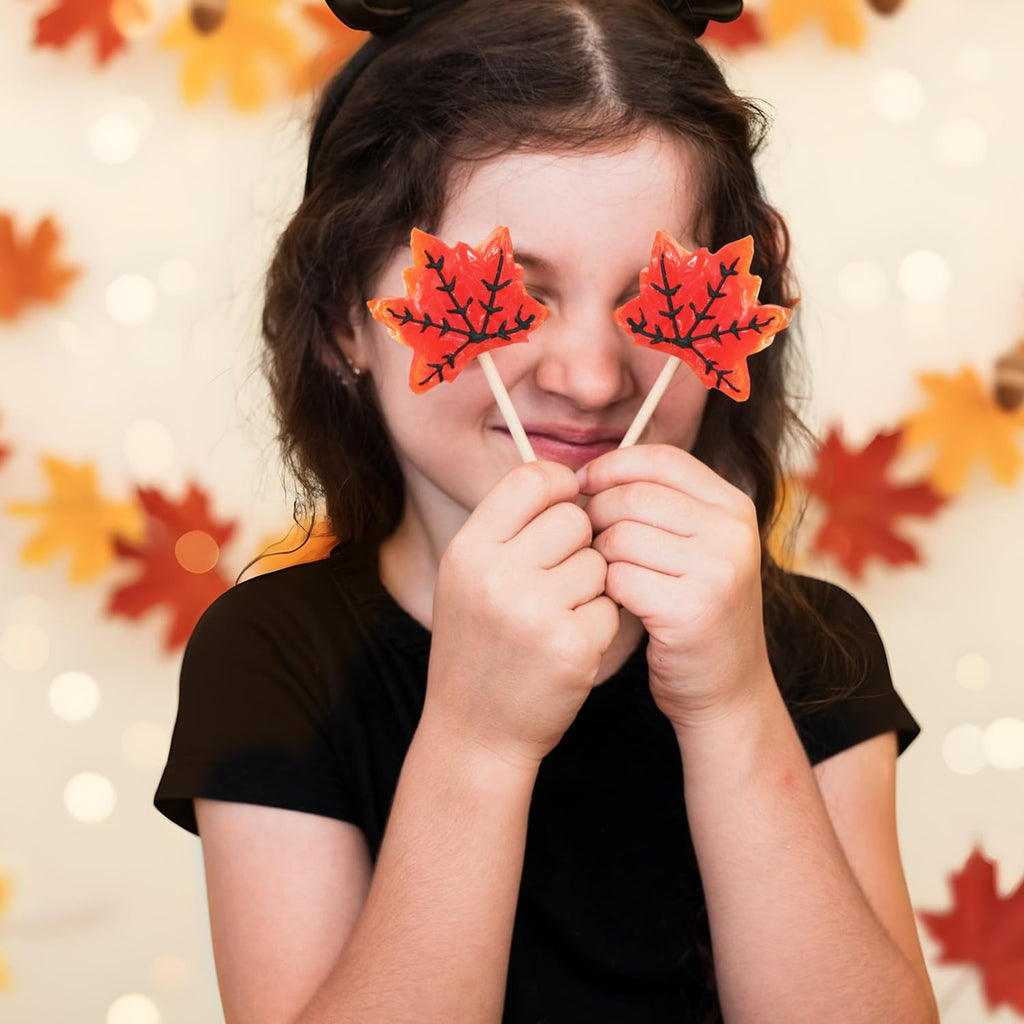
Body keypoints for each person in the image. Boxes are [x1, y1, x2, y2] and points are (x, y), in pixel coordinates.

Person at [155, 1, 939, 1021]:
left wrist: (733, 709)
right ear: (351, 315)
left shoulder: (807, 647)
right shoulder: (273, 659)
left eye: (649, 298)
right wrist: (476, 741)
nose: (588, 375)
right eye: (514, 294)